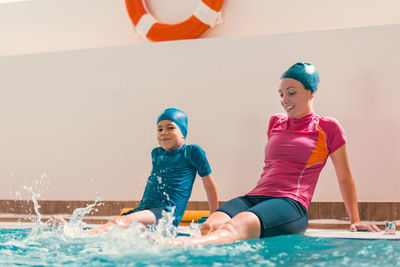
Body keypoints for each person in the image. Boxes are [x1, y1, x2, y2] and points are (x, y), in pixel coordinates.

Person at [155, 62, 380, 246]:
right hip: (256, 196)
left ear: (311, 92)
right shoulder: (275, 122)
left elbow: (345, 177)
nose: (284, 100)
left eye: (291, 93)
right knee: (210, 225)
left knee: (239, 224)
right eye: (281, 94)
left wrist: (355, 220)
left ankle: (180, 245)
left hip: (291, 203)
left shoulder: (327, 127)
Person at [53, 108, 219, 234]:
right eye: (159, 129)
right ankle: (83, 234)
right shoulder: (156, 153)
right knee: (117, 228)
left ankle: (77, 235)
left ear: (183, 133)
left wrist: (214, 218)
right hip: (146, 208)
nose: (164, 133)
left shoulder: (193, 152)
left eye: (170, 128)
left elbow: (210, 187)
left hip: (166, 214)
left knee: (119, 222)